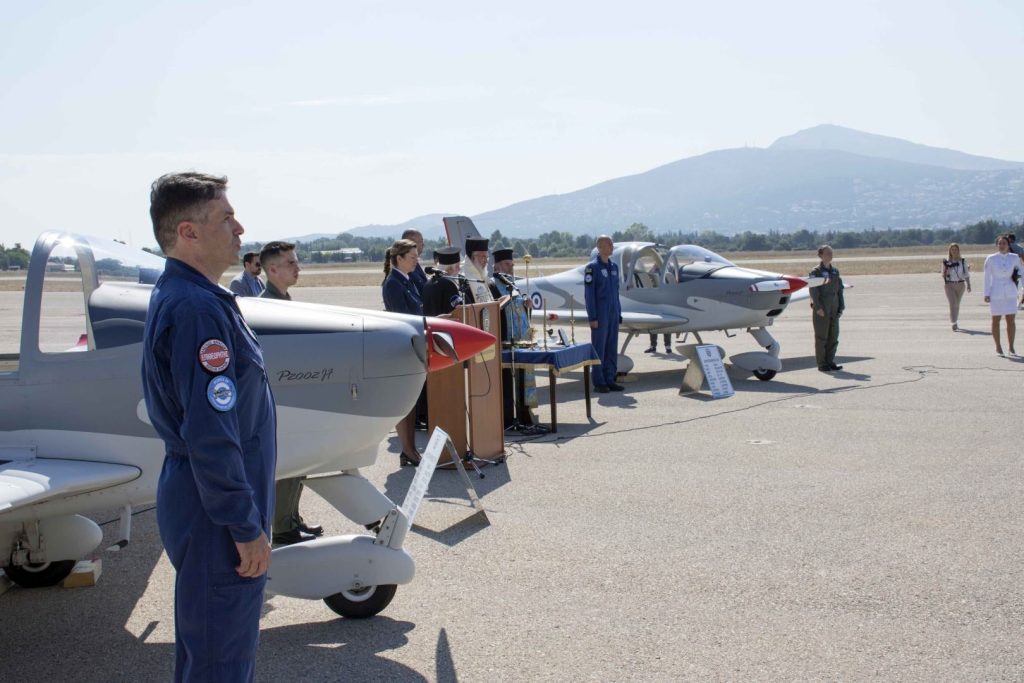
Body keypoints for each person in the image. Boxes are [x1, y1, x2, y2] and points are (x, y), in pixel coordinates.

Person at [142, 172, 274, 681]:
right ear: (188, 233)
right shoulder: (197, 309)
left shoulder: (198, 297)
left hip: (207, 500)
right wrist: (245, 526)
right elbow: (210, 433)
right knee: (220, 661)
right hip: (215, 510)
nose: (240, 228)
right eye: (225, 217)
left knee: (211, 651)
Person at [258, 241, 321, 545]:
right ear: (272, 270)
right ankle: (283, 527)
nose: (298, 268)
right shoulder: (264, 308)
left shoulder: (282, 301)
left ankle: (291, 518)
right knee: (287, 464)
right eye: (291, 264)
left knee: (298, 465)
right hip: (280, 399)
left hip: (293, 397)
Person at [382, 239, 424, 465]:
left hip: (413, 347)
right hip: (402, 348)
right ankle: (408, 450)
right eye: (412, 258)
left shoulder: (407, 281)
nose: (417, 262)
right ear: (399, 259)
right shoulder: (393, 284)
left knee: (411, 404)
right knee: (405, 404)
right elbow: (403, 318)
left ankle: (410, 450)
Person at [584, 235, 623, 392]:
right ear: (600, 247)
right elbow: (589, 295)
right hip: (600, 314)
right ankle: (599, 381)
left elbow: (616, 293)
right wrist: (592, 317)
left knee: (611, 347)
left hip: (613, 313)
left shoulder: (613, 267)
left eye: (612, 243)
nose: (612, 246)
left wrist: (618, 312)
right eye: (608, 244)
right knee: (599, 348)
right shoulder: (592, 268)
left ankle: (610, 378)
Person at [808, 245, 845, 372]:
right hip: (822, 309)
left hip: (834, 308)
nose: (830, 255)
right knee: (821, 337)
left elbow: (839, 290)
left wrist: (841, 306)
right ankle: (822, 364)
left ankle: (830, 361)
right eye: (828, 253)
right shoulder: (815, 272)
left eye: (831, 253)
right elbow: (813, 290)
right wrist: (818, 307)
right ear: (821, 255)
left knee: (833, 337)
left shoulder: (835, 271)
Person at [983, 234, 1022, 355]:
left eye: (1004, 243)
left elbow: (1022, 272)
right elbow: (986, 277)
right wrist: (986, 293)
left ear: (1008, 245)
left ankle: (1011, 347)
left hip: (1010, 291)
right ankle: (998, 347)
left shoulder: (1015, 257)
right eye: (999, 243)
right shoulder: (991, 258)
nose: (1002, 245)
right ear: (997, 245)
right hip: (996, 291)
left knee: (1011, 320)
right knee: (996, 320)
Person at [422, 247, 470, 316]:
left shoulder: (428, 284)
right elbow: (458, 311)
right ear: (449, 269)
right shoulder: (449, 285)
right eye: (457, 266)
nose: (459, 269)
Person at [941, 243, 971, 331]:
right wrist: (947, 270)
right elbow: (943, 274)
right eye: (952, 250)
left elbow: (966, 274)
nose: (954, 251)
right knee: (953, 303)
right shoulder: (946, 261)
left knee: (957, 304)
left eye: (955, 249)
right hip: (949, 284)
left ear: (958, 251)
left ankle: (955, 321)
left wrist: (969, 284)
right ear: (949, 251)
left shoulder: (962, 261)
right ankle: (953, 322)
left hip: (960, 284)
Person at [462, 237, 494, 304]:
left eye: (487, 257)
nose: (486, 261)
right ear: (473, 257)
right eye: (483, 257)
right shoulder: (465, 279)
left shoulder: (483, 276)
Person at [401, 229, 428, 295]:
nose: (423, 244)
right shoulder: (404, 266)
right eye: (421, 241)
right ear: (411, 243)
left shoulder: (413, 263)